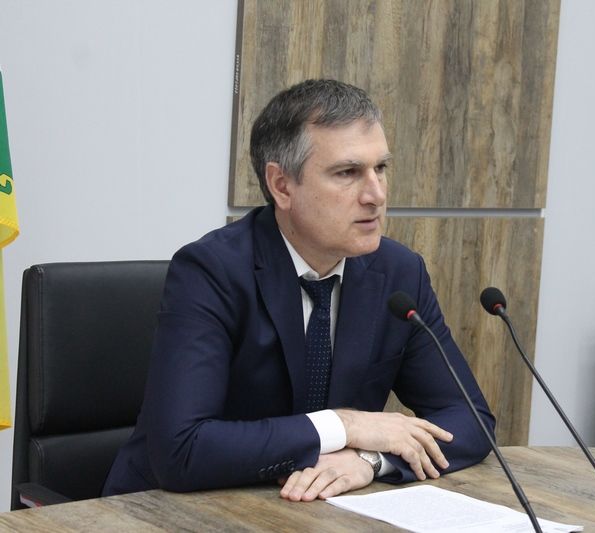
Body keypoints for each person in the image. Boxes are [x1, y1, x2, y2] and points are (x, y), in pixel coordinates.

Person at [103, 79, 494, 502]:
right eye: (347, 173)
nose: (376, 194)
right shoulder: (211, 272)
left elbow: (470, 421)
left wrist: (369, 460)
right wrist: (344, 426)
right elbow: (182, 451)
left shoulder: (399, 273)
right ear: (282, 185)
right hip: (165, 510)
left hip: (308, 511)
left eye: (380, 168)